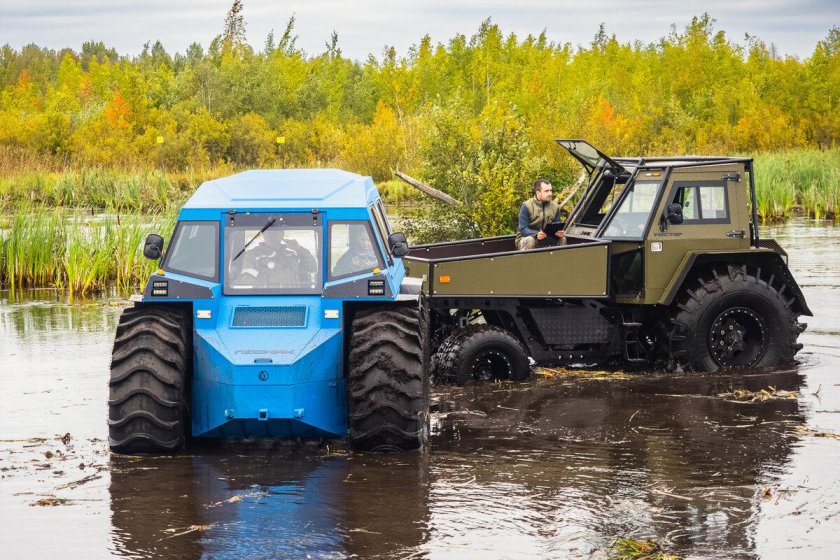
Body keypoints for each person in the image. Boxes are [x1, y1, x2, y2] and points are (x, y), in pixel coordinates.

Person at [234, 228, 316, 287]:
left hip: (294, 298)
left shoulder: (292, 254)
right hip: (267, 300)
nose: (272, 235)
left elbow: (312, 268)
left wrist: (298, 249)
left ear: (282, 234)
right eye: (269, 232)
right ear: (263, 234)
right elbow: (246, 280)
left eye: (276, 231)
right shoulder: (253, 255)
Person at [516, 179, 565, 251]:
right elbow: (523, 229)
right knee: (530, 240)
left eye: (551, 190)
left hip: (546, 239)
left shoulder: (555, 207)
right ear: (538, 193)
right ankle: (526, 259)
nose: (550, 194)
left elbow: (556, 225)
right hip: (526, 239)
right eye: (546, 191)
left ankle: (560, 258)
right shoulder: (526, 206)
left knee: (562, 238)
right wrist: (536, 234)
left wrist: (559, 232)